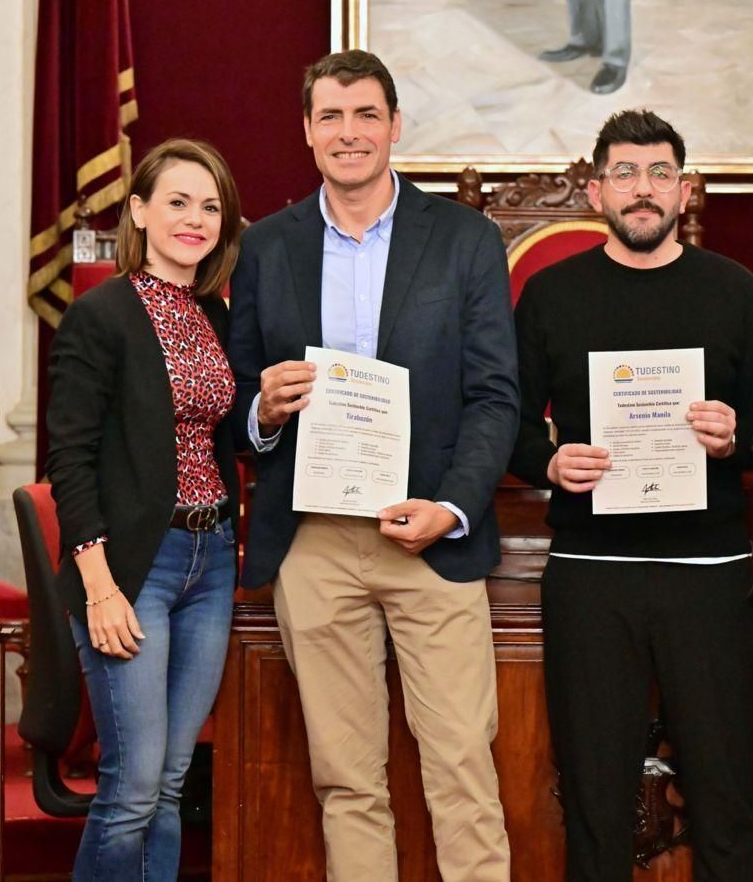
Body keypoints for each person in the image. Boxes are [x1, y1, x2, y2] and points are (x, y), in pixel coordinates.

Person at [227, 50, 519, 882]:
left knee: (462, 766)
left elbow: (496, 395)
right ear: (307, 130)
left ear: (394, 126)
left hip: (429, 536)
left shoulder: (464, 239)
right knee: (346, 779)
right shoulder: (266, 247)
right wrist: (263, 410)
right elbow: (238, 395)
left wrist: (451, 508)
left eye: (365, 115)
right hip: (315, 540)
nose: (348, 132)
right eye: (331, 116)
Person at [510, 109, 753, 881]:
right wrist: (550, 463)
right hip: (592, 573)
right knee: (594, 796)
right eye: (625, 173)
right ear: (597, 191)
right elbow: (506, 424)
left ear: (685, 191)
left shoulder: (735, 290)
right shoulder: (551, 295)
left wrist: (735, 436)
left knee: (724, 791)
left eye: (660, 173)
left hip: (709, 573)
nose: (643, 188)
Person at [47, 138, 244, 881]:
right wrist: (99, 585)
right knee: (131, 787)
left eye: (210, 207)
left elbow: (226, 433)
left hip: (211, 560)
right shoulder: (100, 313)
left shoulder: (216, 314)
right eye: (178, 202)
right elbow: (68, 458)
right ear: (138, 211)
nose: (195, 219)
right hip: (134, 565)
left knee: (168, 781)